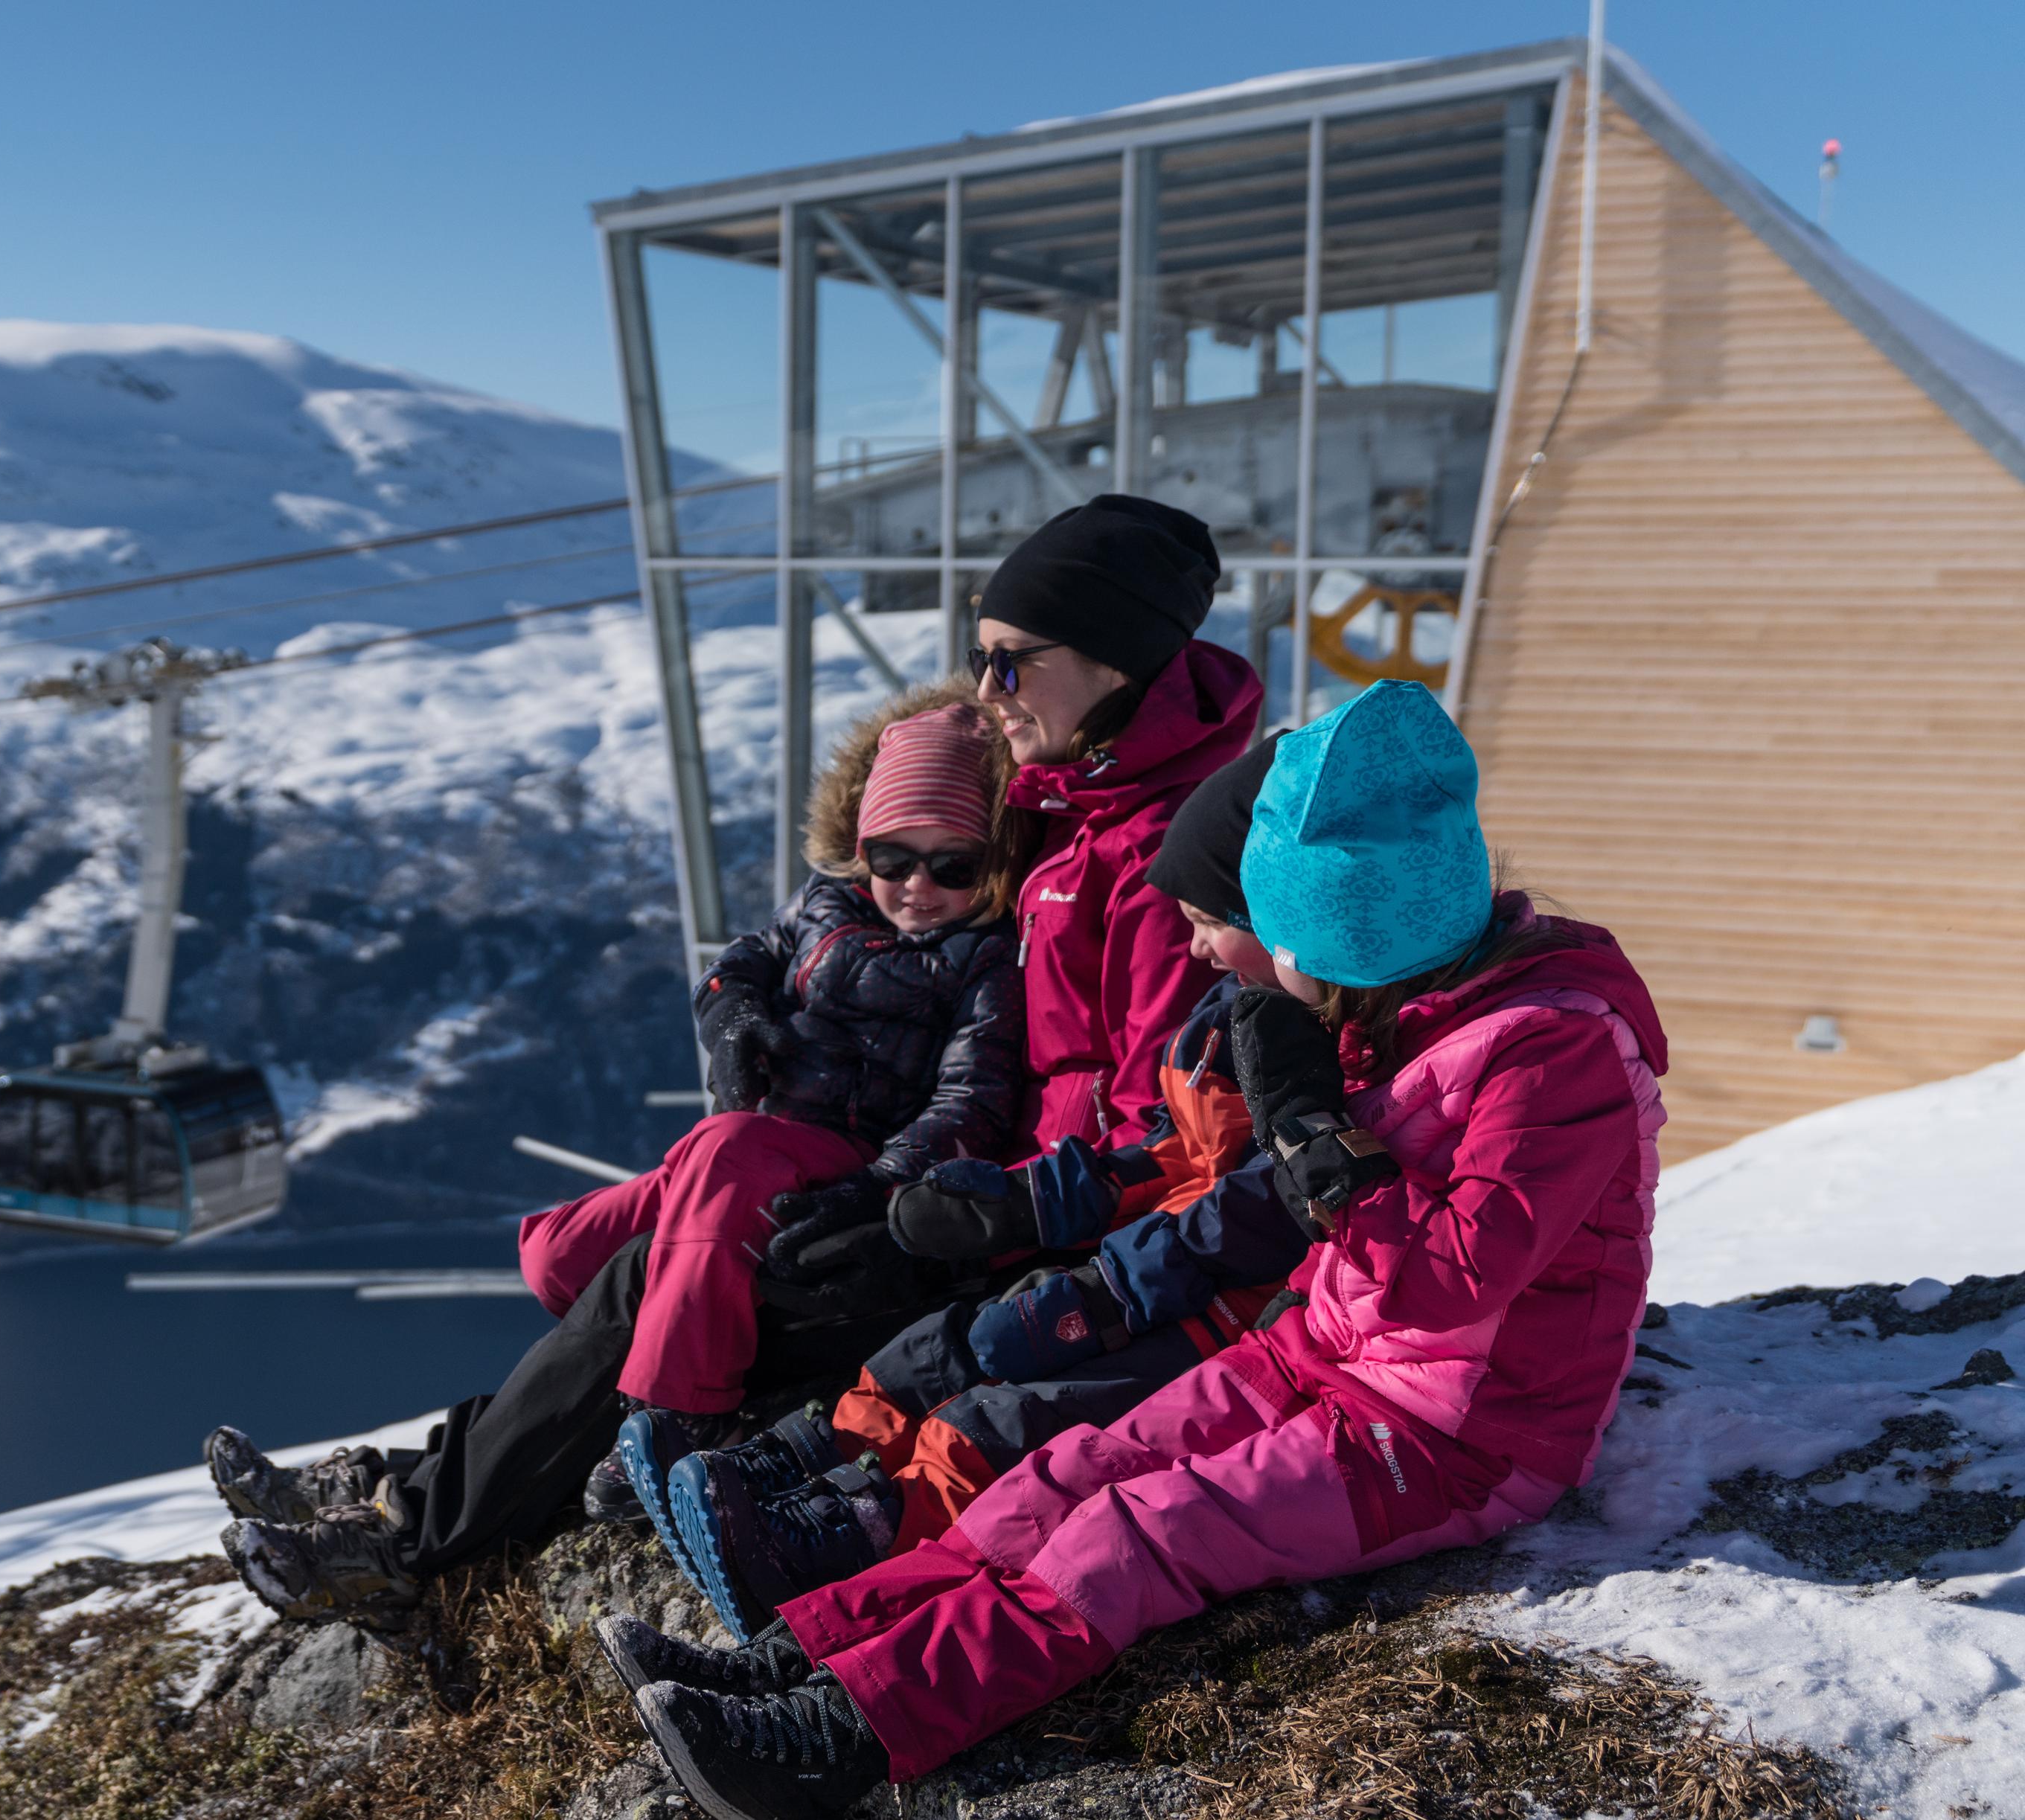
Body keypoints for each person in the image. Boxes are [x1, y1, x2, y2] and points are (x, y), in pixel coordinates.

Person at [599, 682, 1669, 1820]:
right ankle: (810, 1654)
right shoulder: (1417, 1015)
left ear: (1344, 940)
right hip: (1322, 1353)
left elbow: (1451, 1284)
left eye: (1276, 937)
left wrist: (1315, 1132)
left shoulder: (1556, 1054)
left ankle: (850, 1731)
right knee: (1067, 1471)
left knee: (1143, 1527)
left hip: (1459, 1433)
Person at [211, 690, 1026, 1624]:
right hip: (751, 1161)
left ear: (990, 865)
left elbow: (972, 1101)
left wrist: (882, 1188)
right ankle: (398, 1483)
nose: (917, 884)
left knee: (673, 1228)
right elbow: (744, 960)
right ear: (858, 846)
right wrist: (731, 1011)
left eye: (952, 864)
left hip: (842, 1179)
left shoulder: (980, 962)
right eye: (892, 857)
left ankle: (658, 1422)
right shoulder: (824, 906)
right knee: (570, 1252)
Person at [650, 735, 1315, 1642]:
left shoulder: (1303, 1056)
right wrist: (1027, 1199)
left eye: (1207, 919)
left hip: (1205, 1310)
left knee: (1007, 1415)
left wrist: (1107, 1276)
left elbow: (1254, 1208)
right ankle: (810, 1468)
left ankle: (841, 1544)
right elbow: (1167, 1157)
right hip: (1145, 1266)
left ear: (1278, 912)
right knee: (944, 1345)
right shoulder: (1226, 1014)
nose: (1193, 946)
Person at [752, 496, 1263, 1333]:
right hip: (984, 1179)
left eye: (1013, 662)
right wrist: (747, 987)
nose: (989, 690)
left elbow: (1162, 1116)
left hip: (1057, 1229)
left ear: (1114, 659)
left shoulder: (1159, 852)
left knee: (754, 1305)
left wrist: (982, 1231)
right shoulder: (1061, 807)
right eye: (978, 660)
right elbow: (901, 905)